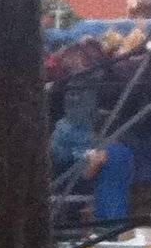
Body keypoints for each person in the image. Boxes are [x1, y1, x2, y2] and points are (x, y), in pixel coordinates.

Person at [49, 40, 134, 226]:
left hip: (101, 207)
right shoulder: (125, 152)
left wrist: (87, 157)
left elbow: (86, 173)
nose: (72, 98)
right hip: (114, 208)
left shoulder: (102, 151)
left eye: (80, 92)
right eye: (70, 92)